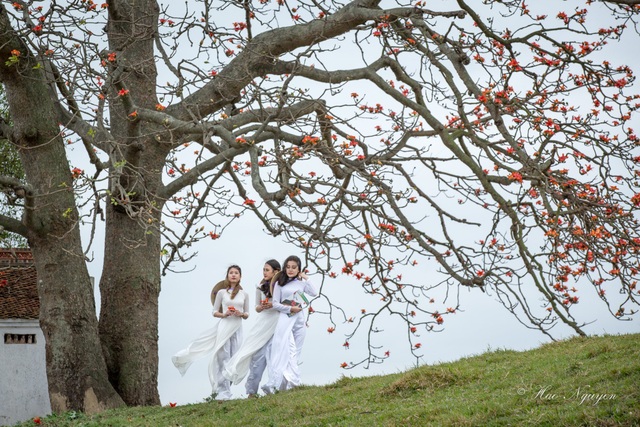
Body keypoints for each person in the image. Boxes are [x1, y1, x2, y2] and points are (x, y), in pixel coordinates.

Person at [171, 265, 250, 400]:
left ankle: (227, 386)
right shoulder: (221, 293)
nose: (233, 275)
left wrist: (240, 313)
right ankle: (223, 392)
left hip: (237, 327)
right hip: (225, 326)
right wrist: (224, 314)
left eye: (236, 273)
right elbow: (214, 312)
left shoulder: (244, 294)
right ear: (227, 276)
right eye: (231, 273)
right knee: (223, 358)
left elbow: (247, 313)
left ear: (240, 277)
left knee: (234, 358)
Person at [223, 259, 281, 397]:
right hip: (262, 324)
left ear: (276, 271)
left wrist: (273, 305)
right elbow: (257, 307)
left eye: (267, 270)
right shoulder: (260, 286)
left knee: (274, 357)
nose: (264, 272)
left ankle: (274, 388)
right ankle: (251, 392)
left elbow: (286, 304)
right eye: (264, 270)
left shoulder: (281, 286)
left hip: (277, 323)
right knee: (257, 358)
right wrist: (262, 307)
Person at [261, 255, 317, 395]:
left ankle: (287, 384)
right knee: (288, 350)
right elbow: (275, 304)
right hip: (286, 319)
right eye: (288, 267)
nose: (290, 270)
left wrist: (306, 278)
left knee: (296, 353)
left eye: (294, 267)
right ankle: (293, 382)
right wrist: (290, 309)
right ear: (284, 268)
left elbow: (314, 293)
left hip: (299, 321)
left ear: (298, 269)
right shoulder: (280, 283)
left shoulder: (302, 283)